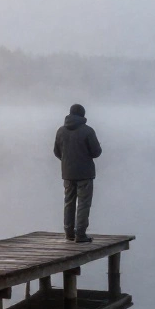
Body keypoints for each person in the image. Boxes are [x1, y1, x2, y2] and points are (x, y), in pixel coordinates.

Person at [53, 103, 102, 243]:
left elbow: (56, 152)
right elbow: (96, 152)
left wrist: (67, 161)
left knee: (69, 202)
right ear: (83, 115)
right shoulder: (88, 131)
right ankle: (80, 234)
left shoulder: (60, 131)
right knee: (83, 204)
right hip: (85, 174)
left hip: (68, 173)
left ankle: (69, 233)